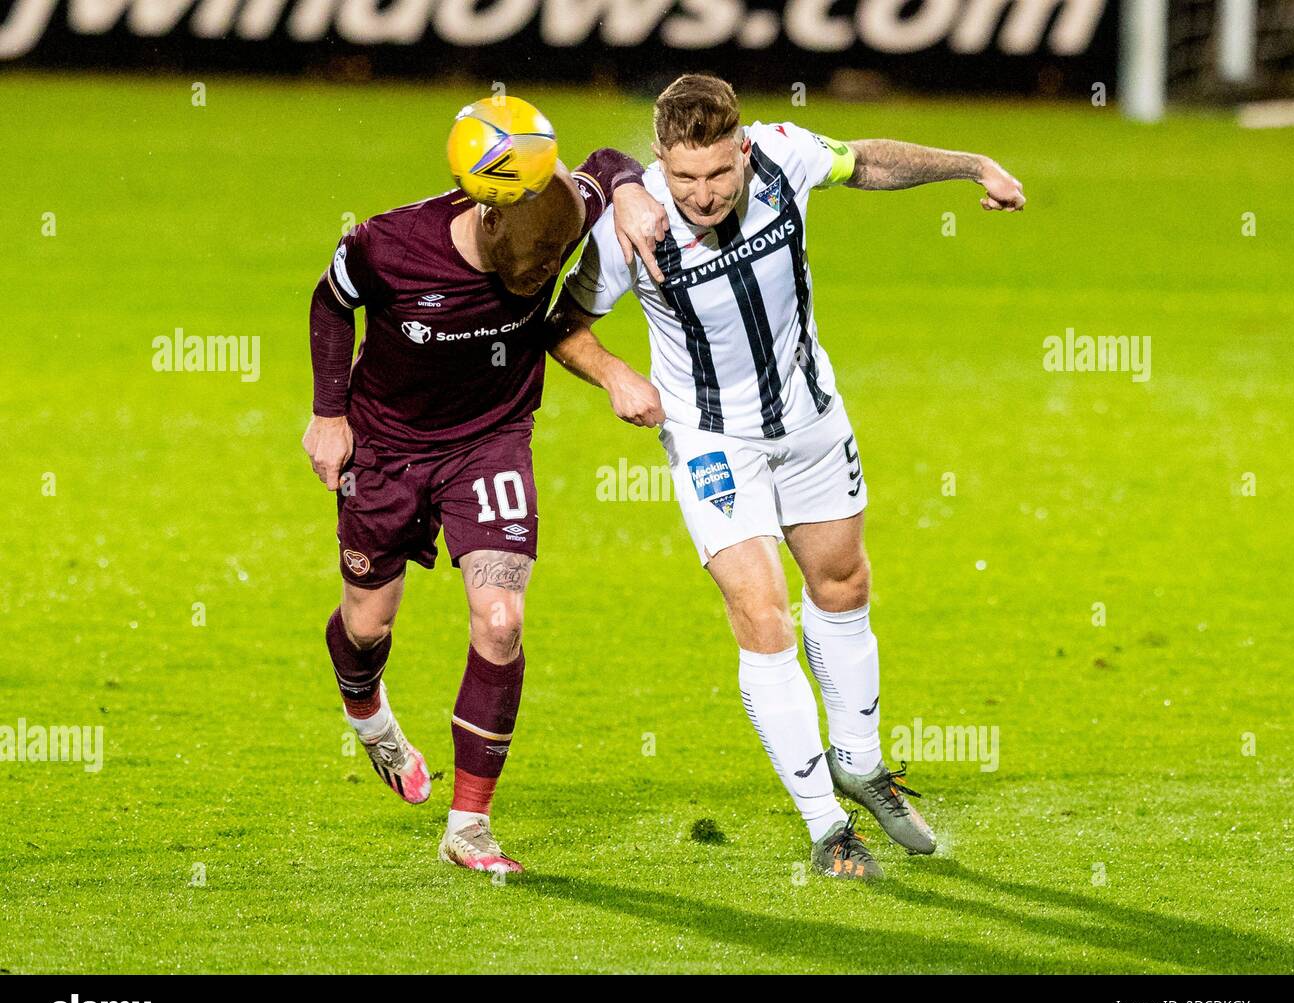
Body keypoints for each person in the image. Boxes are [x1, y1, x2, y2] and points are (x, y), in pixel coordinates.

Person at [547, 74, 1024, 880]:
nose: (701, 194)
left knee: (842, 587)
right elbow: (565, 326)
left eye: (718, 174)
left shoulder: (782, 157)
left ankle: (862, 766)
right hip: (710, 442)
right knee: (762, 615)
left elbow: (865, 161)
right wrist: (617, 375)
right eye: (683, 176)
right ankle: (824, 825)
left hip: (809, 418)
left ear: (742, 149)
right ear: (660, 160)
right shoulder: (633, 226)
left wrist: (971, 164)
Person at [304, 141, 668, 875]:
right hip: (386, 447)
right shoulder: (386, 244)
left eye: (554, 262)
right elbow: (331, 301)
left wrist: (628, 188)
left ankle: (469, 826)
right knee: (367, 624)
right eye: (535, 265)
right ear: (490, 221)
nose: (545, 278)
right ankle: (367, 711)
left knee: (501, 620)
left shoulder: (559, 211)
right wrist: (328, 414)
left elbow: (604, 160)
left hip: (491, 442)